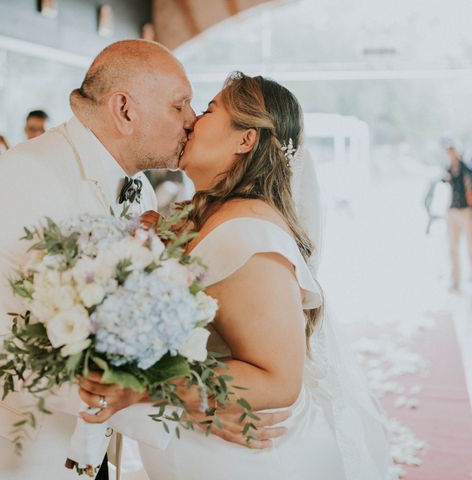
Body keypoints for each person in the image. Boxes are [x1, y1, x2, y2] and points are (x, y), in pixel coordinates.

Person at [0, 41, 287, 480]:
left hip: (77, 452)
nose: (192, 119)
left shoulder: (144, 194)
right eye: (180, 105)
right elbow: (32, 345)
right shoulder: (24, 179)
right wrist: (188, 407)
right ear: (124, 109)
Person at [83, 73, 392, 479]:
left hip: (254, 463)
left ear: (245, 140)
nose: (192, 120)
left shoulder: (249, 234)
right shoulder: (198, 214)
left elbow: (278, 381)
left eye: (209, 110)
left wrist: (144, 387)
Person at [442, 145, 472, 291]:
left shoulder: (465, 168)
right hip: (453, 210)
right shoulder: (449, 167)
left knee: (470, 248)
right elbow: (444, 179)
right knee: (453, 248)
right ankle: (456, 281)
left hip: (466, 211)